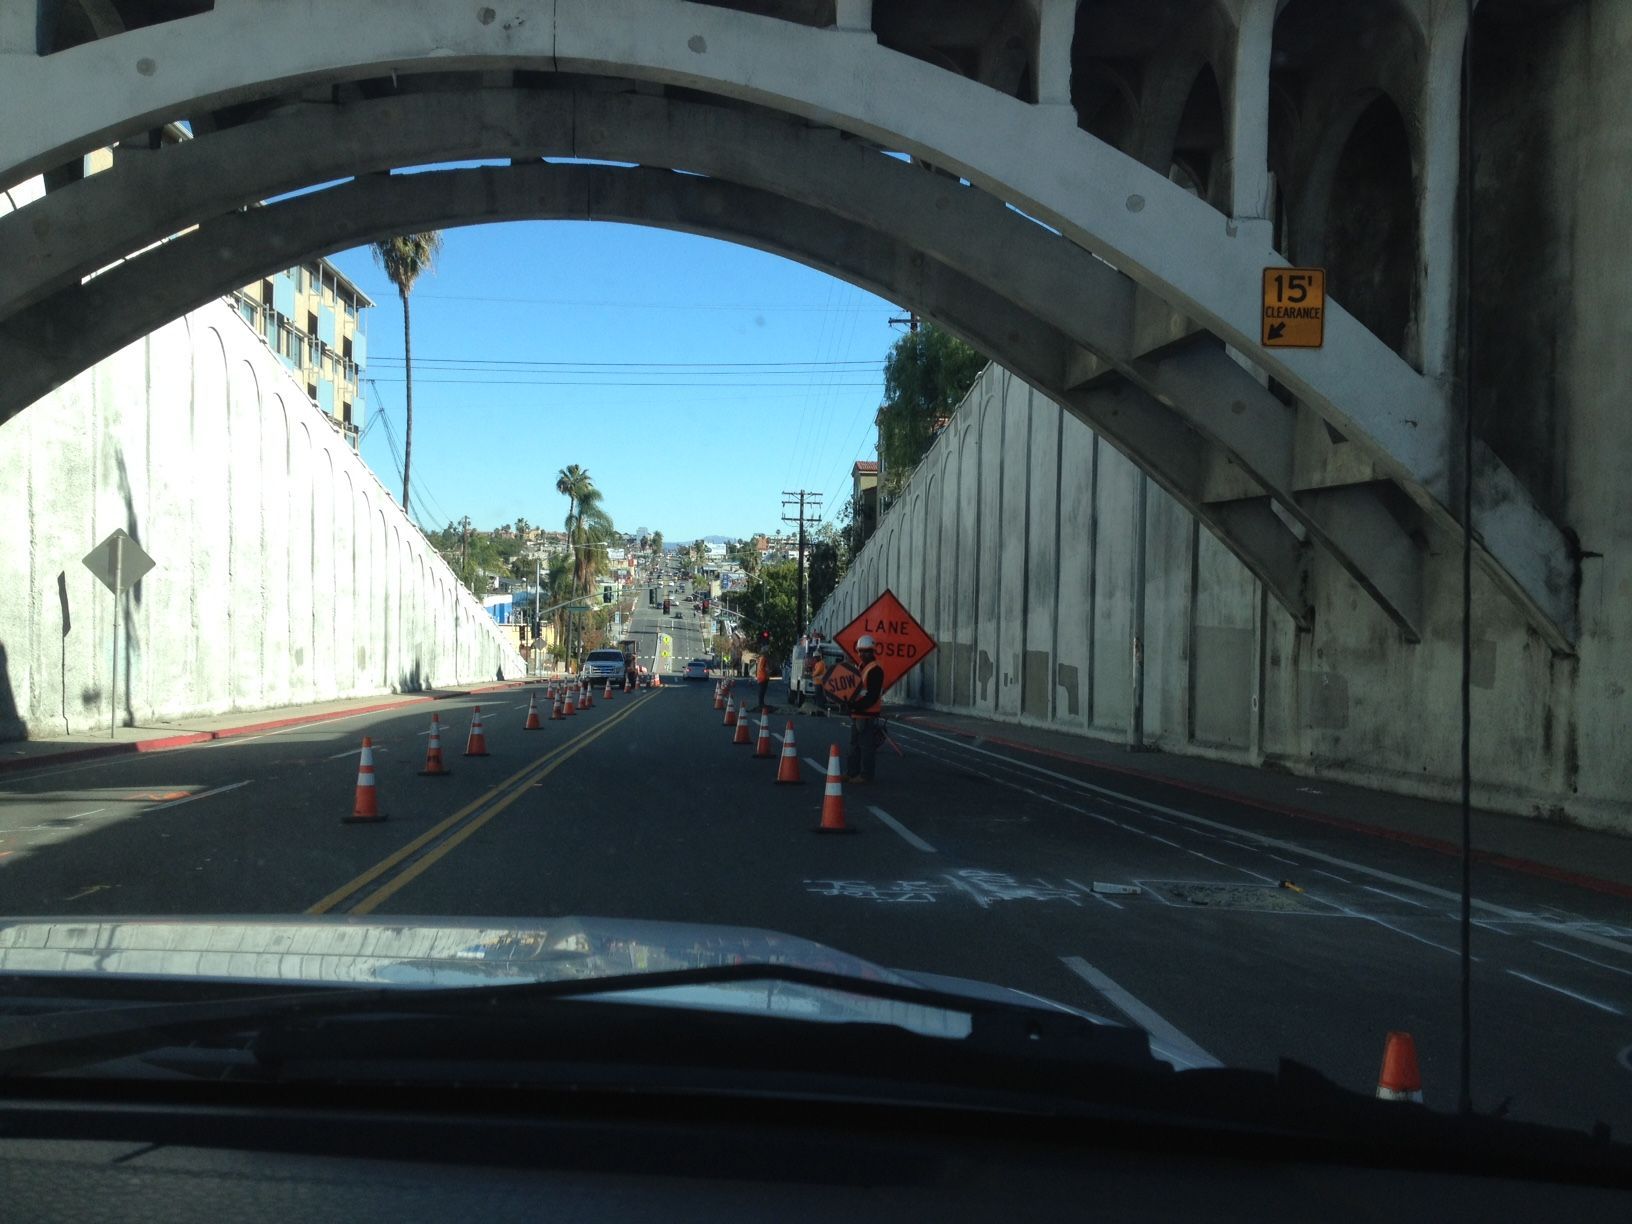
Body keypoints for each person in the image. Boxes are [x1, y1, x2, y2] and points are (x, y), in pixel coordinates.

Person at [844, 635, 885, 783]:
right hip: (857, 713)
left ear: (872, 651)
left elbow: (872, 696)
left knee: (866, 747)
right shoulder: (861, 667)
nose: (862, 654)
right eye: (860, 651)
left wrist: (855, 705)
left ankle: (866, 775)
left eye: (866, 651)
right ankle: (852, 773)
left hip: (867, 714)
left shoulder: (875, 670)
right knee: (853, 746)